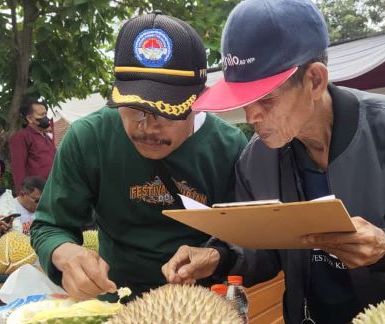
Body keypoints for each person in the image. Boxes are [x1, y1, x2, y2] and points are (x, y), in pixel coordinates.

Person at [163, 0, 385, 324]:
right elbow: (263, 244)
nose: (251, 116)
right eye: (244, 100)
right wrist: (220, 256)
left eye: (266, 99)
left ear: (314, 80)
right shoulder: (257, 159)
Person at [30, 13, 247, 300]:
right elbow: (49, 226)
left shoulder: (228, 147)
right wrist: (65, 253)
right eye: (133, 110)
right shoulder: (88, 137)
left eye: (165, 112)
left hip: (201, 310)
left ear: (200, 101)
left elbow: (245, 239)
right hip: (115, 302)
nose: (146, 127)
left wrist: (217, 255)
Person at [9, 98, 57, 191]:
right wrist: (22, 193)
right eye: (41, 115)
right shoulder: (21, 137)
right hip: (36, 193)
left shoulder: (46, 137)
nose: (45, 118)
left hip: (53, 188)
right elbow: (18, 168)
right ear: (29, 118)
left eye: (45, 114)